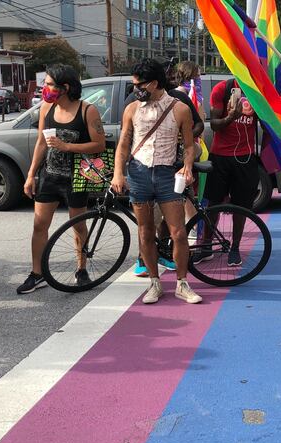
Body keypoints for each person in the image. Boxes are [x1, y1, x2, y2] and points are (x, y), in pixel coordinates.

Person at [111, 58, 202, 305]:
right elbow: (123, 144)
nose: (134, 89)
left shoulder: (179, 108)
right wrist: (118, 173)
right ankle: (155, 282)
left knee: (178, 232)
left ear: (153, 83)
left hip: (166, 174)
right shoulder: (131, 109)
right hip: (139, 173)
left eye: (138, 85)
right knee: (145, 232)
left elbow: (189, 144)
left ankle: (182, 284)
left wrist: (187, 166)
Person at [17, 64, 105, 294]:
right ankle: (37, 273)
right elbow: (40, 143)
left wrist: (67, 146)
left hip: (77, 176)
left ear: (64, 87)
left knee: (78, 225)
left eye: (48, 84)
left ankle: (81, 269)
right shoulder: (46, 107)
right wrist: (31, 174)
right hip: (49, 176)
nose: (44, 88)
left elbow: (99, 144)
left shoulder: (87, 110)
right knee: (39, 225)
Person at [191, 77, 258, 267]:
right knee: (213, 203)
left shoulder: (257, 90)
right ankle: (206, 246)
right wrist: (231, 116)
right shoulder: (223, 88)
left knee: (241, 206)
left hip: (246, 157)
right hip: (220, 156)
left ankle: (235, 248)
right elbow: (214, 125)